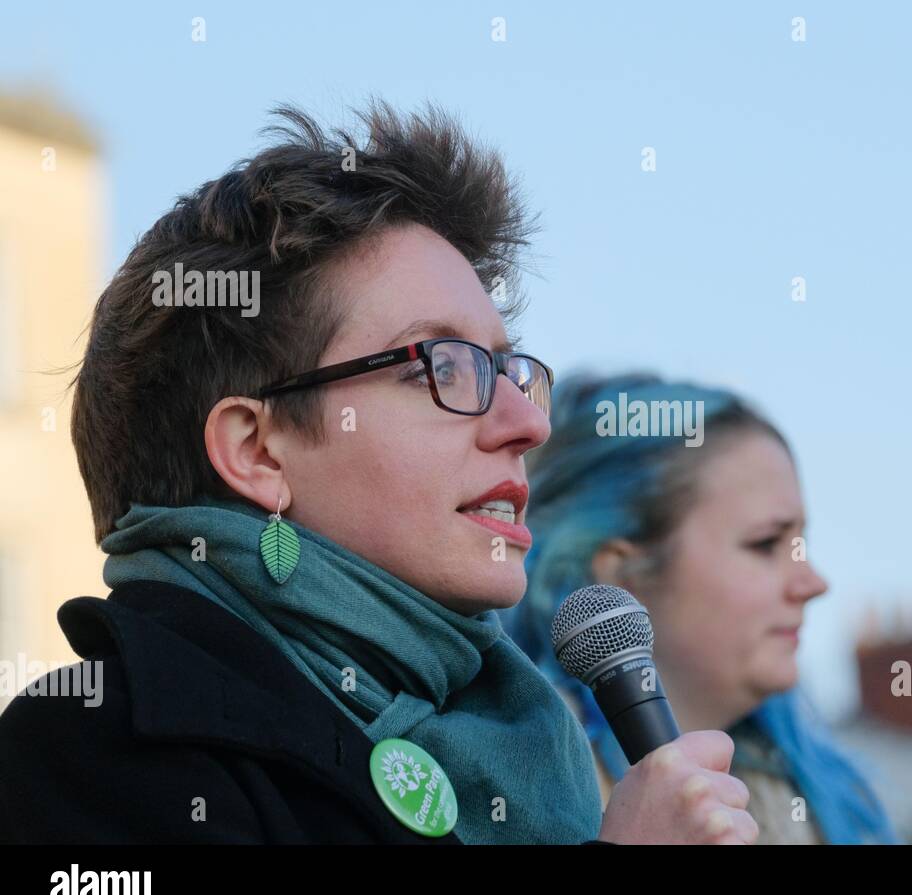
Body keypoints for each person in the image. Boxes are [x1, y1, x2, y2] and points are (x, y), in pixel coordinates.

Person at [0, 103, 757, 845]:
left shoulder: (529, 754)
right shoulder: (83, 752)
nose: (528, 423)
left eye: (506, 367)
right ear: (258, 451)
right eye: (444, 366)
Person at [505, 374, 899, 844]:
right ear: (624, 576)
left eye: (801, 543)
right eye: (766, 544)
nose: (814, 583)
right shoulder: (513, 778)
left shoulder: (831, 806)